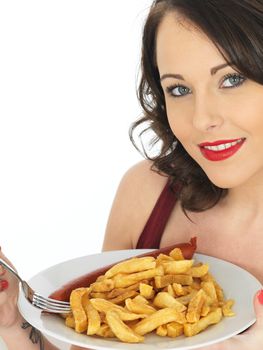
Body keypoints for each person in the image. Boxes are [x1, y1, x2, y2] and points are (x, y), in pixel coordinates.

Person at [1, 0, 263, 349]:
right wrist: (11, 321)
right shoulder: (147, 194)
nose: (202, 119)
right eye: (179, 89)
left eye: (231, 79)